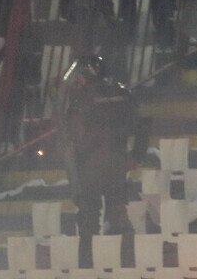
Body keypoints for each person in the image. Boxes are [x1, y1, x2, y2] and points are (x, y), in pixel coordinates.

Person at [58, 56, 148, 268]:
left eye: (80, 77)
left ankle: (88, 265)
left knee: (88, 218)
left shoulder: (81, 100)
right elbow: (142, 126)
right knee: (118, 213)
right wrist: (136, 155)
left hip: (89, 165)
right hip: (117, 162)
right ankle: (126, 262)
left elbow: (72, 135)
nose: (78, 80)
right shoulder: (123, 94)